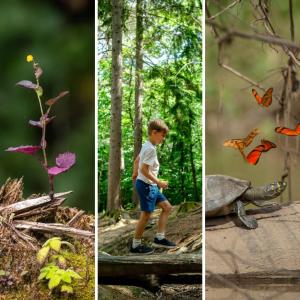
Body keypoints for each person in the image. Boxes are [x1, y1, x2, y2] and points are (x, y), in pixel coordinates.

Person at [130, 119, 176, 254]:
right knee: (146, 215)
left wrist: (134, 173)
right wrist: (159, 182)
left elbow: (137, 160)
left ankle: (159, 238)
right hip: (147, 186)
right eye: (162, 135)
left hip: (150, 185)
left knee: (167, 207)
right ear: (154, 132)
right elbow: (144, 170)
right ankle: (135, 245)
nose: (163, 138)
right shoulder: (150, 149)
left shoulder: (147, 145)